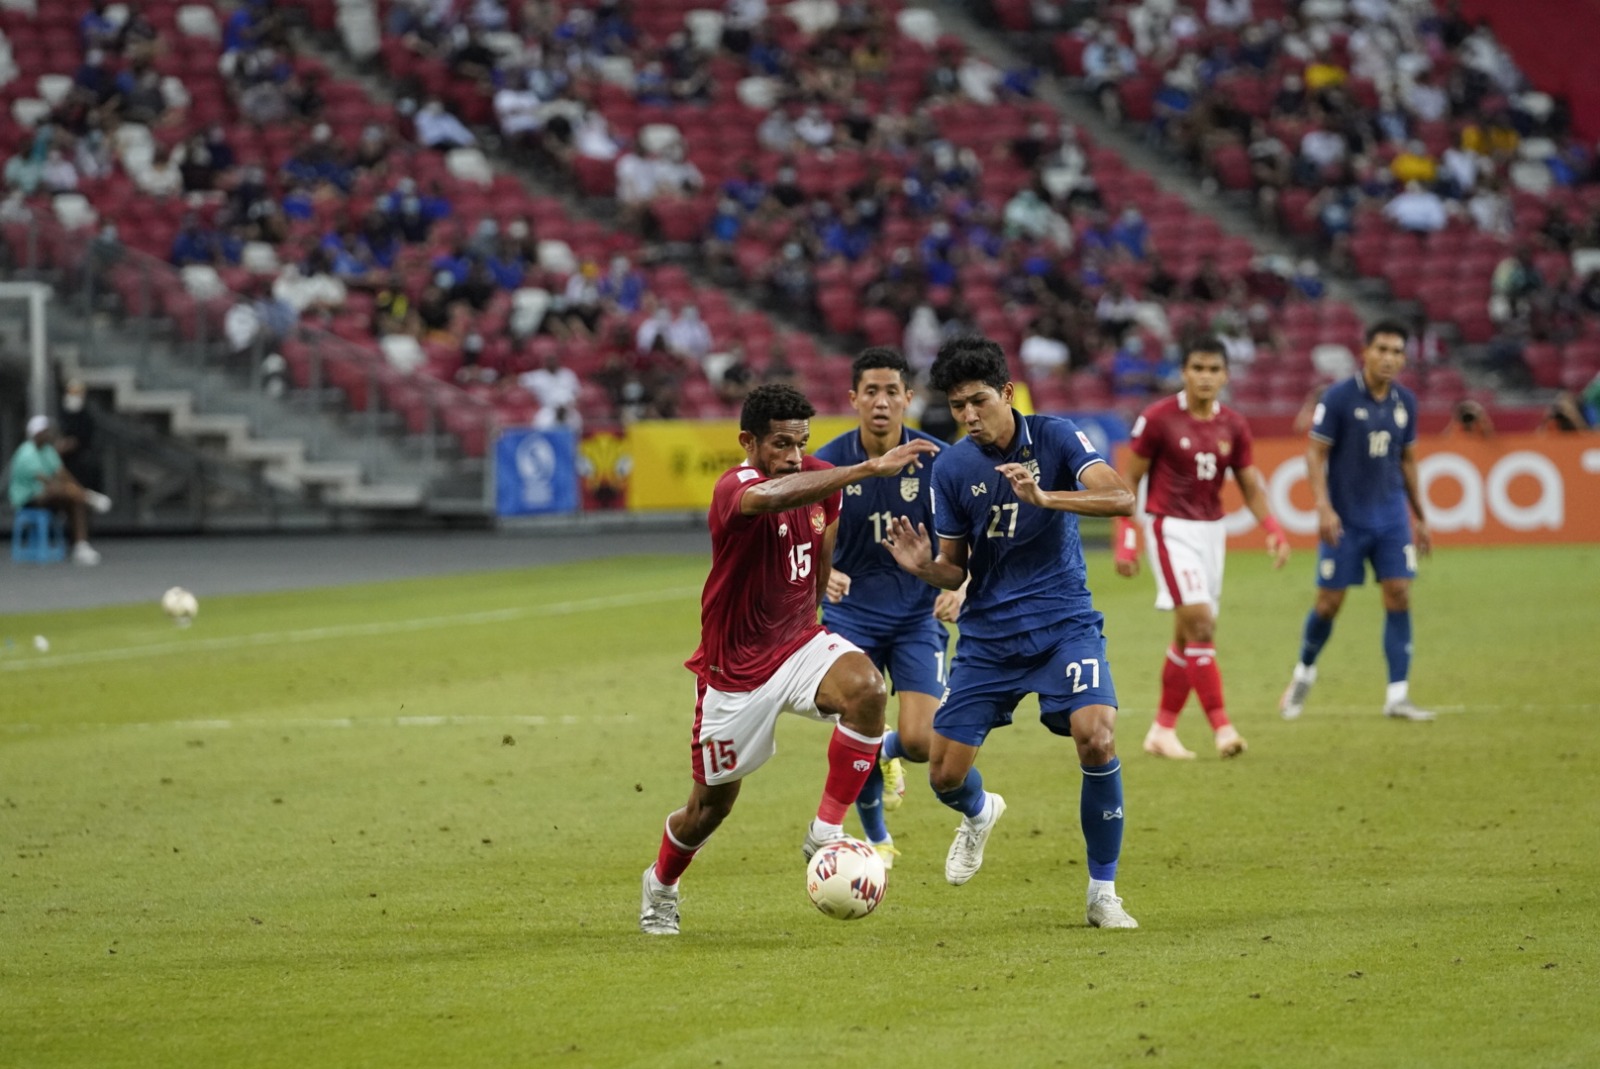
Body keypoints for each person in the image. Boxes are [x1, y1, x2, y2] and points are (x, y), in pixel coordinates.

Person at [639, 384, 941, 936]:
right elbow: (775, 496)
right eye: (780, 444)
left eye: (800, 443)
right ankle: (661, 884)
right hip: (735, 674)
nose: (793, 456)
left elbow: (823, 544)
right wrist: (865, 470)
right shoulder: (735, 487)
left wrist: (819, 604)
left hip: (799, 642)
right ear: (747, 441)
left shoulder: (820, 481)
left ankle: (825, 831)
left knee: (869, 690)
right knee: (709, 808)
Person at [881, 337, 1141, 929]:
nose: (969, 416)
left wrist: (1044, 495)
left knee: (1097, 738)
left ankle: (1103, 894)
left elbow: (1122, 497)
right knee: (943, 775)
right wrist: (924, 566)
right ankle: (977, 813)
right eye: (957, 407)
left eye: (978, 401)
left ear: (1006, 392)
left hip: (1063, 624)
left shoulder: (1056, 436)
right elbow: (956, 566)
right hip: (989, 639)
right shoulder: (951, 468)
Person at [813, 348, 959, 868]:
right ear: (853, 399)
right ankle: (875, 835)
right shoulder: (830, 464)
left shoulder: (940, 460)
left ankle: (888, 753)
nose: (881, 402)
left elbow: (972, 536)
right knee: (860, 717)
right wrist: (822, 573)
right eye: (870, 392)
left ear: (908, 399)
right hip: (853, 615)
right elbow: (801, 538)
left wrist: (960, 585)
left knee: (921, 742)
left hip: (917, 613)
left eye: (891, 391)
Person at [1114, 339, 1291, 760]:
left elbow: (1248, 482)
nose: (1206, 376)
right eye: (1198, 368)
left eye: (1214, 369)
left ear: (1225, 375)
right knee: (1202, 625)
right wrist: (1127, 537)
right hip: (1169, 528)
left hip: (1213, 533)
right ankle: (1222, 728)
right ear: (1184, 372)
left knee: (1186, 635)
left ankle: (1162, 730)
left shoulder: (1233, 424)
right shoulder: (1158, 418)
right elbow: (1130, 479)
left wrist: (1272, 527)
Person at [1282, 321, 1434, 723]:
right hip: (1346, 522)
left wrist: (1419, 516)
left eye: (1397, 351)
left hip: (1391, 519)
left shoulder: (1406, 403)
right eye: (1381, 348)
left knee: (1399, 593)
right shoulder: (1339, 398)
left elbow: (1407, 461)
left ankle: (1397, 695)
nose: (1389, 358)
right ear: (1364, 351)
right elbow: (1314, 454)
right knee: (1329, 604)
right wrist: (1324, 507)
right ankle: (1304, 670)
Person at [8, 415, 112, 565]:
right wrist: (74, 491)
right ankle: (89, 498)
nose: (49, 434)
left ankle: (80, 546)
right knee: (57, 490)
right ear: (37, 433)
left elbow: (63, 474)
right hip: (28, 500)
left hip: (48, 495)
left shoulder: (48, 450)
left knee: (75, 502)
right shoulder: (26, 453)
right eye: (45, 431)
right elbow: (47, 481)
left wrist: (78, 490)